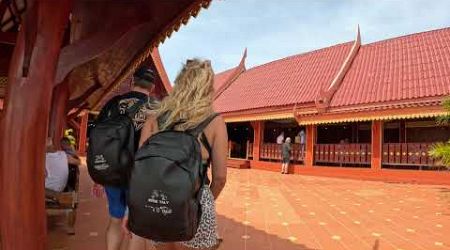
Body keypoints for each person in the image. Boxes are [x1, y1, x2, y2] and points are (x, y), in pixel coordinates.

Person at [124, 59, 228, 250]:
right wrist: (202, 205)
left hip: (158, 203)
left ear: (180, 83)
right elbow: (220, 178)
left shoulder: (154, 117)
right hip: (196, 201)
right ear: (207, 87)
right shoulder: (214, 121)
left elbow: (138, 170)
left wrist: (130, 211)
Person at [92, 66, 157, 250]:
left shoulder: (113, 104)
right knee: (135, 227)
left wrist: (99, 174)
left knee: (115, 220)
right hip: (139, 175)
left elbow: (97, 139)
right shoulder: (156, 108)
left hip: (112, 171)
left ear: (132, 82)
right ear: (152, 88)